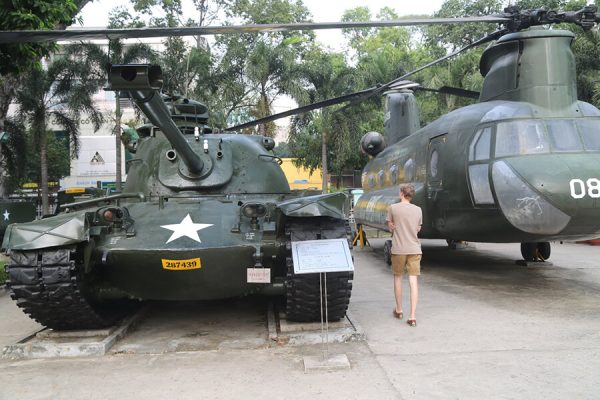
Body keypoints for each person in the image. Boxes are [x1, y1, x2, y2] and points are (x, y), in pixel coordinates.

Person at [386, 184, 422, 327]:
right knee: (413, 281)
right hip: (414, 249)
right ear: (411, 195)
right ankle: (412, 316)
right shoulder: (418, 210)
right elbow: (418, 229)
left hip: (399, 249)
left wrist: (394, 226)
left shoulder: (393, 208)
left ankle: (399, 309)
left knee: (398, 278)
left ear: (401, 193)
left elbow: (391, 227)